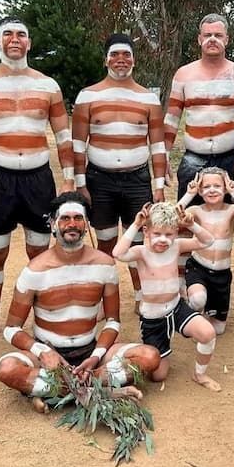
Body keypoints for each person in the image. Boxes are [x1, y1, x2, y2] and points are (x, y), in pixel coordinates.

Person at [0, 17, 74, 347]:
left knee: (39, 254)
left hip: (38, 178)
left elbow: (63, 137)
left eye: (21, 34)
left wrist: (68, 180)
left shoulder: (47, 85)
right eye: (8, 34)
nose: (15, 39)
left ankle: (41, 317)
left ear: (29, 42)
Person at [0, 193, 162, 406]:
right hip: (49, 352)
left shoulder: (105, 266)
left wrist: (96, 356)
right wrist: (43, 352)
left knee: (150, 357)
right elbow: (11, 329)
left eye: (78, 218)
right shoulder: (34, 271)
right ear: (53, 224)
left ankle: (57, 391)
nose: (71, 224)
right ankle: (100, 390)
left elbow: (112, 321)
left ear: (86, 225)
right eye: (64, 218)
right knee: (6, 369)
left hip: (90, 350)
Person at [72, 33, 168, 306]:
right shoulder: (88, 95)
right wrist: (80, 184)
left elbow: (157, 146)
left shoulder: (148, 98)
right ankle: (105, 299)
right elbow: (78, 145)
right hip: (98, 180)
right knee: (104, 241)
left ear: (134, 60)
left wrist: (158, 186)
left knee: (137, 241)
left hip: (137, 179)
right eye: (115, 54)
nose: (120, 60)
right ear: (106, 60)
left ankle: (141, 296)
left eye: (126, 55)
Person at [113, 202, 222, 391]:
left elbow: (208, 241)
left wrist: (191, 225)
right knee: (158, 375)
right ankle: (126, 349)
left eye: (169, 234)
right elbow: (118, 253)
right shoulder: (141, 252)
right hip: (153, 318)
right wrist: (136, 225)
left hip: (176, 307)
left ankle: (200, 374)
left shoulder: (177, 246)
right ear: (147, 231)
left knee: (207, 333)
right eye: (157, 234)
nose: (163, 240)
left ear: (176, 233)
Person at [164, 13, 234, 198]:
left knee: (227, 216)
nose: (212, 39)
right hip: (193, 159)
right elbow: (172, 119)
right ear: (199, 39)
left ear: (227, 39)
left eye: (218, 35)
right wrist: (163, 154)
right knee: (188, 218)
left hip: (231, 158)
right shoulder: (183, 75)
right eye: (207, 35)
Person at [177, 167, 234, 335]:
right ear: (200, 190)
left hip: (221, 273)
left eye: (217, 186)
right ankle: (191, 314)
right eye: (206, 187)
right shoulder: (196, 210)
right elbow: (170, 216)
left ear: (225, 188)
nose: (212, 190)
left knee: (218, 329)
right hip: (198, 267)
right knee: (198, 300)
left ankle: (209, 312)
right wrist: (189, 195)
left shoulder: (231, 210)